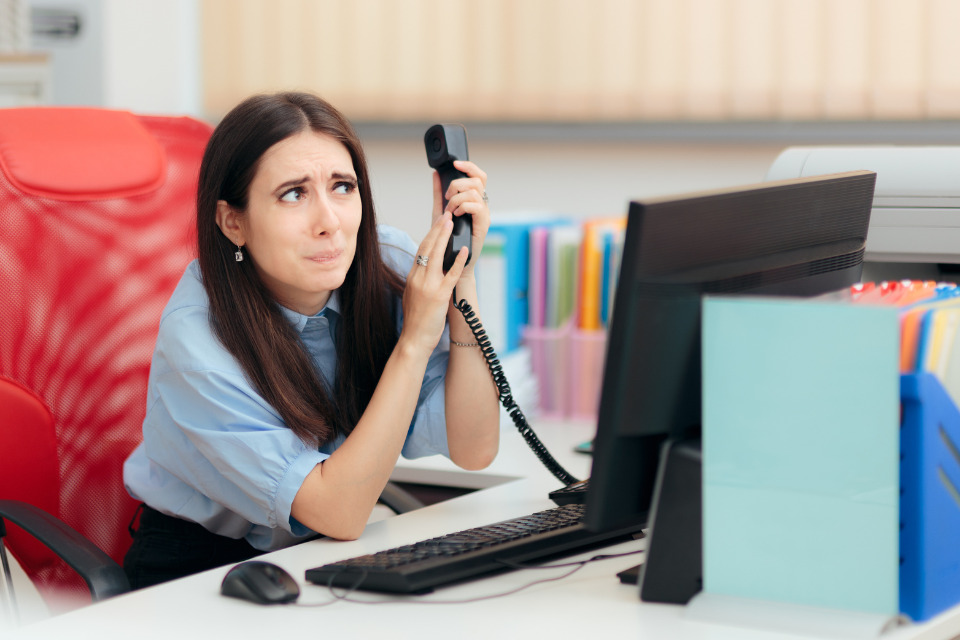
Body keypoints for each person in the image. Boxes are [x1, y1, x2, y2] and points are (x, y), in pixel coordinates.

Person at [122, 91, 500, 589]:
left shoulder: (385, 264)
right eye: (294, 194)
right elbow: (337, 511)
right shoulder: (198, 341)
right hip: (200, 569)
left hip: (319, 548)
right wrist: (413, 341)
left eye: (342, 187)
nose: (330, 223)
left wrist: (461, 280)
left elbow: (474, 448)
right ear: (233, 222)